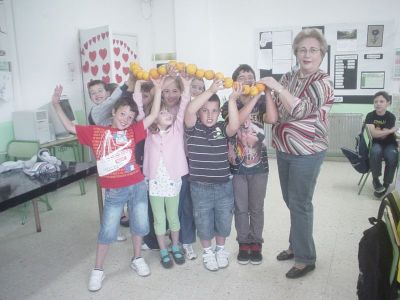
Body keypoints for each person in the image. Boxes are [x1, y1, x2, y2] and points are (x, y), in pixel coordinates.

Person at [51, 77, 163, 291]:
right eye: (122, 114)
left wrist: (157, 90)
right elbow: (69, 126)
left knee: (139, 226)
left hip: (138, 186)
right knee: (107, 231)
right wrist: (56, 104)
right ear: (113, 112)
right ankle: (98, 269)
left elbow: (154, 115)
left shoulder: (132, 131)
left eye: (130, 117)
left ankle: (137, 258)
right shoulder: (97, 133)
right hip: (115, 192)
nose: (126, 119)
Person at [259, 28, 334, 279]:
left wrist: (277, 88)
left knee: (300, 204)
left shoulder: (323, 82)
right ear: (296, 53)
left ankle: (305, 258)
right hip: (283, 148)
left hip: (308, 151)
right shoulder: (290, 76)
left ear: (322, 54)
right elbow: (278, 111)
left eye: (313, 49)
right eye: (302, 49)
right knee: (291, 201)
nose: (307, 54)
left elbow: (300, 109)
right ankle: (295, 245)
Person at [221, 64, 277, 265]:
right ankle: (244, 243)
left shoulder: (262, 102)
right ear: (235, 81)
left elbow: (271, 118)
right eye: (241, 76)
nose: (246, 79)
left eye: (250, 76)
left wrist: (267, 92)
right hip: (236, 166)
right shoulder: (230, 103)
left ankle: (257, 243)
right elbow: (236, 123)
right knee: (241, 208)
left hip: (260, 166)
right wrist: (254, 97)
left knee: (257, 208)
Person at [184, 79, 241, 271]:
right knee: (203, 220)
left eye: (214, 110)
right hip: (199, 186)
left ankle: (220, 249)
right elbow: (190, 110)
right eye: (205, 110)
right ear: (200, 112)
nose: (210, 115)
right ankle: (208, 252)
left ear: (219, 112)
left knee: (224, 219)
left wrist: (232, 100)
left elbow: (234, 125)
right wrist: (210, 90)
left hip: (223, 185)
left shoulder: (221, 128)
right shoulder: (192, 128)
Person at [143, 74, 192, 268]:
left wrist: (186, 87)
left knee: (173, 217)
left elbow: (182, 106)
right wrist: (155, 89)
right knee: (159, 219)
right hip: (154, 182)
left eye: (168, 114)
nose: (169, 114)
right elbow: (144, 109)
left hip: (172, 182)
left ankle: (176, 246)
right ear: (154, 118)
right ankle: (163, 250)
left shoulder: (176, 129)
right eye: (162, 114)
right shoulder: (148, 131)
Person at [364, 91, 398, 198]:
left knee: (392, 156)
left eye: (381, 101)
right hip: (376, 143)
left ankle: (386, 184)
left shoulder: (391, 116)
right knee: (375, 151)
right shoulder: (370, 115)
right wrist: (390, 130)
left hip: (390, 143)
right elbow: (374, 134)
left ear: (388, 103)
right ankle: (375, 180)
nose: (378, 104)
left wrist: (379, 131)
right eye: (376, 101)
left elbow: (381, 135)